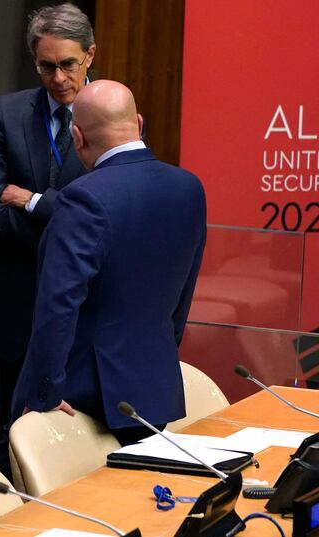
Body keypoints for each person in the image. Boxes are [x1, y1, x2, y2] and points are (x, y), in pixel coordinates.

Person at [12, 80, 207, 445]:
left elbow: (58, 303)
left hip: (82, 397)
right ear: (139, 122)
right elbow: (182, 296)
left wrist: (44, 393)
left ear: (78, 136)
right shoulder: (189, 187)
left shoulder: (82, 198)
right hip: (151, 386)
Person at [0, 3, 94, 477]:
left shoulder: (112, 109)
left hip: (84, 312)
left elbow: (106, 214)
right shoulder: (10, 111)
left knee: (75, 454)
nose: (58, 78)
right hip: (14, 305)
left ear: (89, 56)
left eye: (68, 65)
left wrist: (34, 201)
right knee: (12, 448)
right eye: (46, 66)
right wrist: (66, 224)